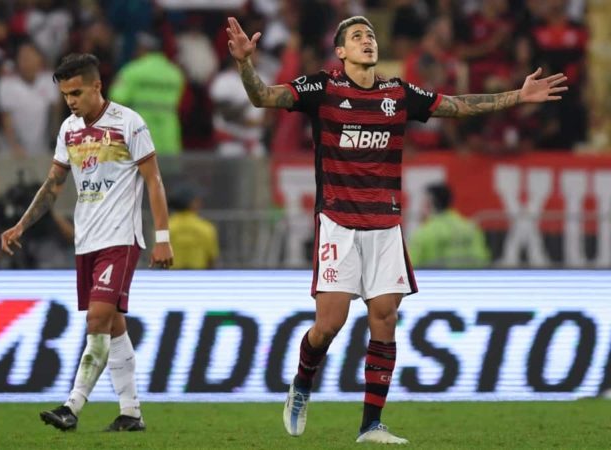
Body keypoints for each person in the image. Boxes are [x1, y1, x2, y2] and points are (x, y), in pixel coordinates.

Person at [226, 15, 567, 444]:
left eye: (370, 34)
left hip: (385, 223)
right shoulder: (322, 88)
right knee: (329, 324)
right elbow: (263, 98)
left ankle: (371, 424)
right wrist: (245, 64)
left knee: (385, 318)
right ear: (341, 51)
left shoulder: (398, 94)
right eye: (356, 36)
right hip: (338, 222)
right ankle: (302, 383)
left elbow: (457, 105)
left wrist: (518, 96)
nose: (366, 40)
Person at [0, 53, 173, 433]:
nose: (71, 101)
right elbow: (53, 185)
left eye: (76, 93)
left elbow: (154, 181)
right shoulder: (68, 129)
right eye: (65, 95)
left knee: (96, 319)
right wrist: (22, 225)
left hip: (120, 238)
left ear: (97, 85)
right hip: (87, 240)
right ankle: (131, 412)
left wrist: (162, 238)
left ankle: (72, 406)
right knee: (113, 325)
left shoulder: (129, 122)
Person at [109, 32, 185, 156]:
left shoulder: (132, 70)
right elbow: (179, 100)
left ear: (143, 49)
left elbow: (116, 99)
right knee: (169, 167)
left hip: (140, 133)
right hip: (169, 134)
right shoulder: (175, 73)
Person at [409, 183, 491, 268]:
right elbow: (483, 260)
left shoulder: (423, 234)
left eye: (422, 203)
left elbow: (412, 266)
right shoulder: (471, 228)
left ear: (429, 204)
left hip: (435, 276)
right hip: (471, 275)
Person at [168, 184, 219, 269]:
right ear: (192, 203)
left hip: (171, 275)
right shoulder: (206, 228)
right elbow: (211, 260)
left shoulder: (166, 228)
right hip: (199, 275)